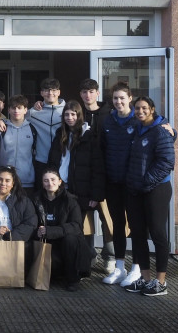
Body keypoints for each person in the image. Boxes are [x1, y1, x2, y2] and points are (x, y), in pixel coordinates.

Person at [123, 96, 175, 296]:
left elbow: (166, 161)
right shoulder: (135, 129)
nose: (140, 111)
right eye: (137, 108)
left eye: (144, 108)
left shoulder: (161, 130)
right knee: (137, 233)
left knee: (157, 233)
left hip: (156, 189)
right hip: (135, 189)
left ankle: (161, 282)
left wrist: (147, 181)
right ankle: (145, 279)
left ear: (152, 109)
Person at [47, 100, 104, 263]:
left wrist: (95, 195)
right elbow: (53, 160)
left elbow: (97, 167)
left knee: (80, 228)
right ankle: (67, 261)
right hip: (61, 188)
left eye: (73, 114)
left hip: (81, 191)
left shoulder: (89, 135)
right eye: (66, 114)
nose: (70, 117)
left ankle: (85, 259)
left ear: (79, 115)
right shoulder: (60, 134)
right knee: (63, 224)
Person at [100, 83, 141, 286]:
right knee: (117, 226)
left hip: (132, 183)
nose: (118, 101)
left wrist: (171, 131)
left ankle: (137, 268)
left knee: (135, 225)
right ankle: (119, 267)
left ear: (130, 98)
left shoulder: (138, 119)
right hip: (113, 182)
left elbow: (160, 129)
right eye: (115, 98)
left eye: (122, 98)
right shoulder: (108, 121)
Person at [78, 78, 116, 273]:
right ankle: (88, 255)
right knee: (85, 221)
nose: (88, 95)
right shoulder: (77, 114)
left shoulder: (109, 114)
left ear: (97, 93)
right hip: (83, 175)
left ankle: (110, 257)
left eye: (91, 91)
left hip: (106, 174)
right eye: (84, 92)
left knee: (107, 219)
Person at [32, 169, 92, 291]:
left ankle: (73, 280)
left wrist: (50, 231)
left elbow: (76, 226)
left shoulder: (71, 200)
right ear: (42, 184)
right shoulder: (35, 200)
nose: (50, 183)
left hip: (66, 243)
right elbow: (30, 222)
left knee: (70, 239)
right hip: (46, 243)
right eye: (46, 180)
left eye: (53, 180)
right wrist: (36, 231)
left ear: (60, 181)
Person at [28, 78, 66, 186]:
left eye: (54, 90)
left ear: (59, 92)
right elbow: (16, 119)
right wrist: (0, 121)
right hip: (41, 161)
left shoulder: (68, 112)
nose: (50, 93)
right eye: (47, 90)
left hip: (62, 161)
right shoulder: (33, 113)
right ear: (41, 93)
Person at [2, 95, 37, 197]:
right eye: (13, 108)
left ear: (25, 110)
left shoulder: (32, 129)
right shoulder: (2, 128)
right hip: (6, 181)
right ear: (8, 110)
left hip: (27, 180)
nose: (16, 111)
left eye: (19, 108)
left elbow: (35, 152)